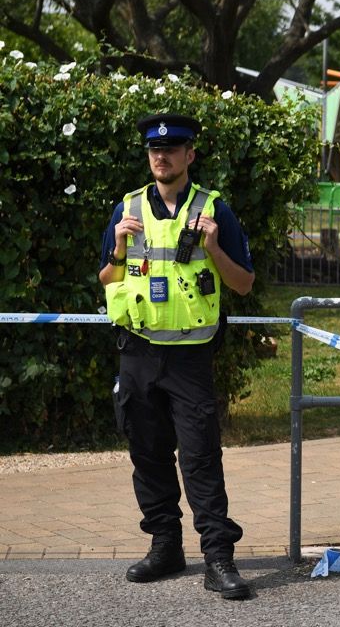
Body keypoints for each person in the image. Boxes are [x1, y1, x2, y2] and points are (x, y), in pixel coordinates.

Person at [98, 113, 256, 600]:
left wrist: (213, 246)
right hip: (138, 354)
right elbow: (107, 278)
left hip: (190, 359)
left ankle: (218, 560)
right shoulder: (126, 209)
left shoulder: (214, 210)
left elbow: (244, 284)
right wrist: (120, 248)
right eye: (154, 150)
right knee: (147, 455)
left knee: (200, 458)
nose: (161, 156)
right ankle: (166, 547)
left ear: (189, 155)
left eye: (172, 149)